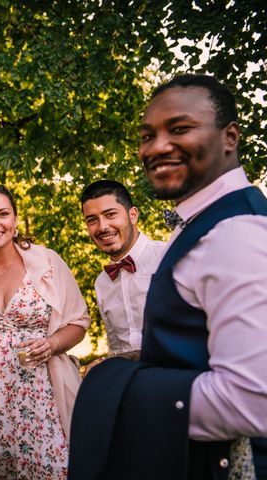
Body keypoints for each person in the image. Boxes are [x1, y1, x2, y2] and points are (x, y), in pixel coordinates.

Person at [69, 74, 267, 480]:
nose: (157, 147)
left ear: (230, 137)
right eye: (147, 135)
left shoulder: (236, 233)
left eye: (180, 129)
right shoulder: (200, 225)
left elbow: (253, 402)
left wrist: (118, 388)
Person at [0, 184, 91, 479]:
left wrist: (51, 343)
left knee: (52, 470)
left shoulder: (48, 262)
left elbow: (78, 321)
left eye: (3, 214)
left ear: (16, 219)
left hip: (41, 398)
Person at [80, 180, 166, 360]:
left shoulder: (168, 257)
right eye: (92, 220)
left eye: (110, 214)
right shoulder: (102, 283)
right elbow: (117, 350)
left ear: (133, 215)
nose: (102, 227)